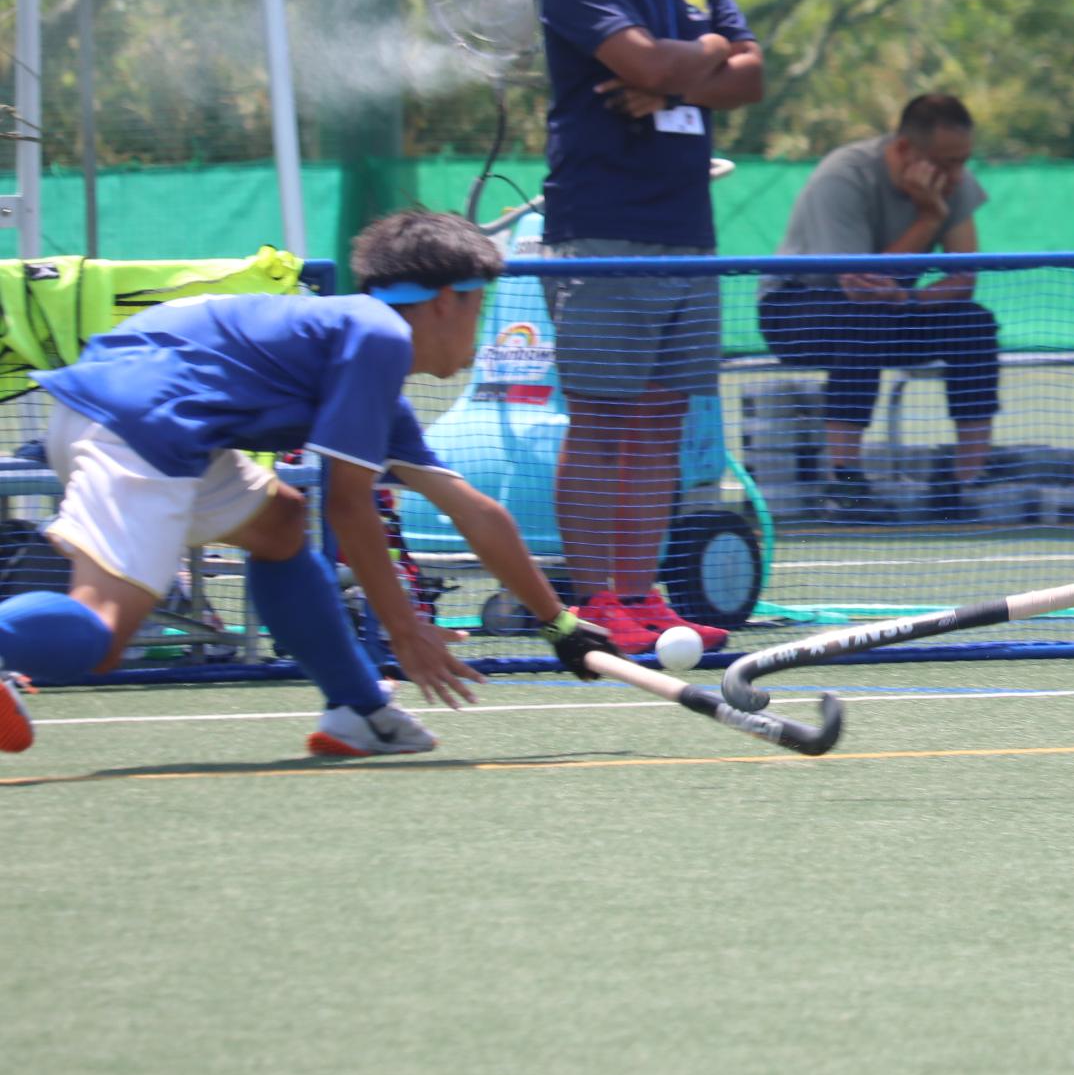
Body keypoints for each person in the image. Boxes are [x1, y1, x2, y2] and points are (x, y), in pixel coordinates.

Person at [0, 210, 618, 759]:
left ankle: (359, 712)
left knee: (279, 525)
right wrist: (404, 629)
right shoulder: (377, 337)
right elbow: (350, 505)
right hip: (140, 425)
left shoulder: (363, 351)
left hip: (149, 418)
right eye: (478, 309)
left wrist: (557, 623)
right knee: (103, 632)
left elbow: (472, 510)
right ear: (443, 301)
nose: (478, 334)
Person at [538, 0, 764, 654]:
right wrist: (702, 61)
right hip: (604, 231)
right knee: (600, 419)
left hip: (689, 235)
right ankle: (595, 602)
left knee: (662, 421)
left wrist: (681, 72)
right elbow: (646, 60)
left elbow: (753, 78)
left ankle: (643, 596)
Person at [758, 94, 999, 520]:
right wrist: (927, 220)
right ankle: (845, 484)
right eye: (946, 163)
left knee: (974, 324)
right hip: (796, 309)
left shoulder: (954, 182)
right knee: (862, 321)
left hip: (889, 310)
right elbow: (859, 284)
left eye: (964, 160)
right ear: (905, 149)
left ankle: (967, 482)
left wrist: (908, 297)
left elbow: (964, 278)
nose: (957, 174)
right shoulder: (844, 176)